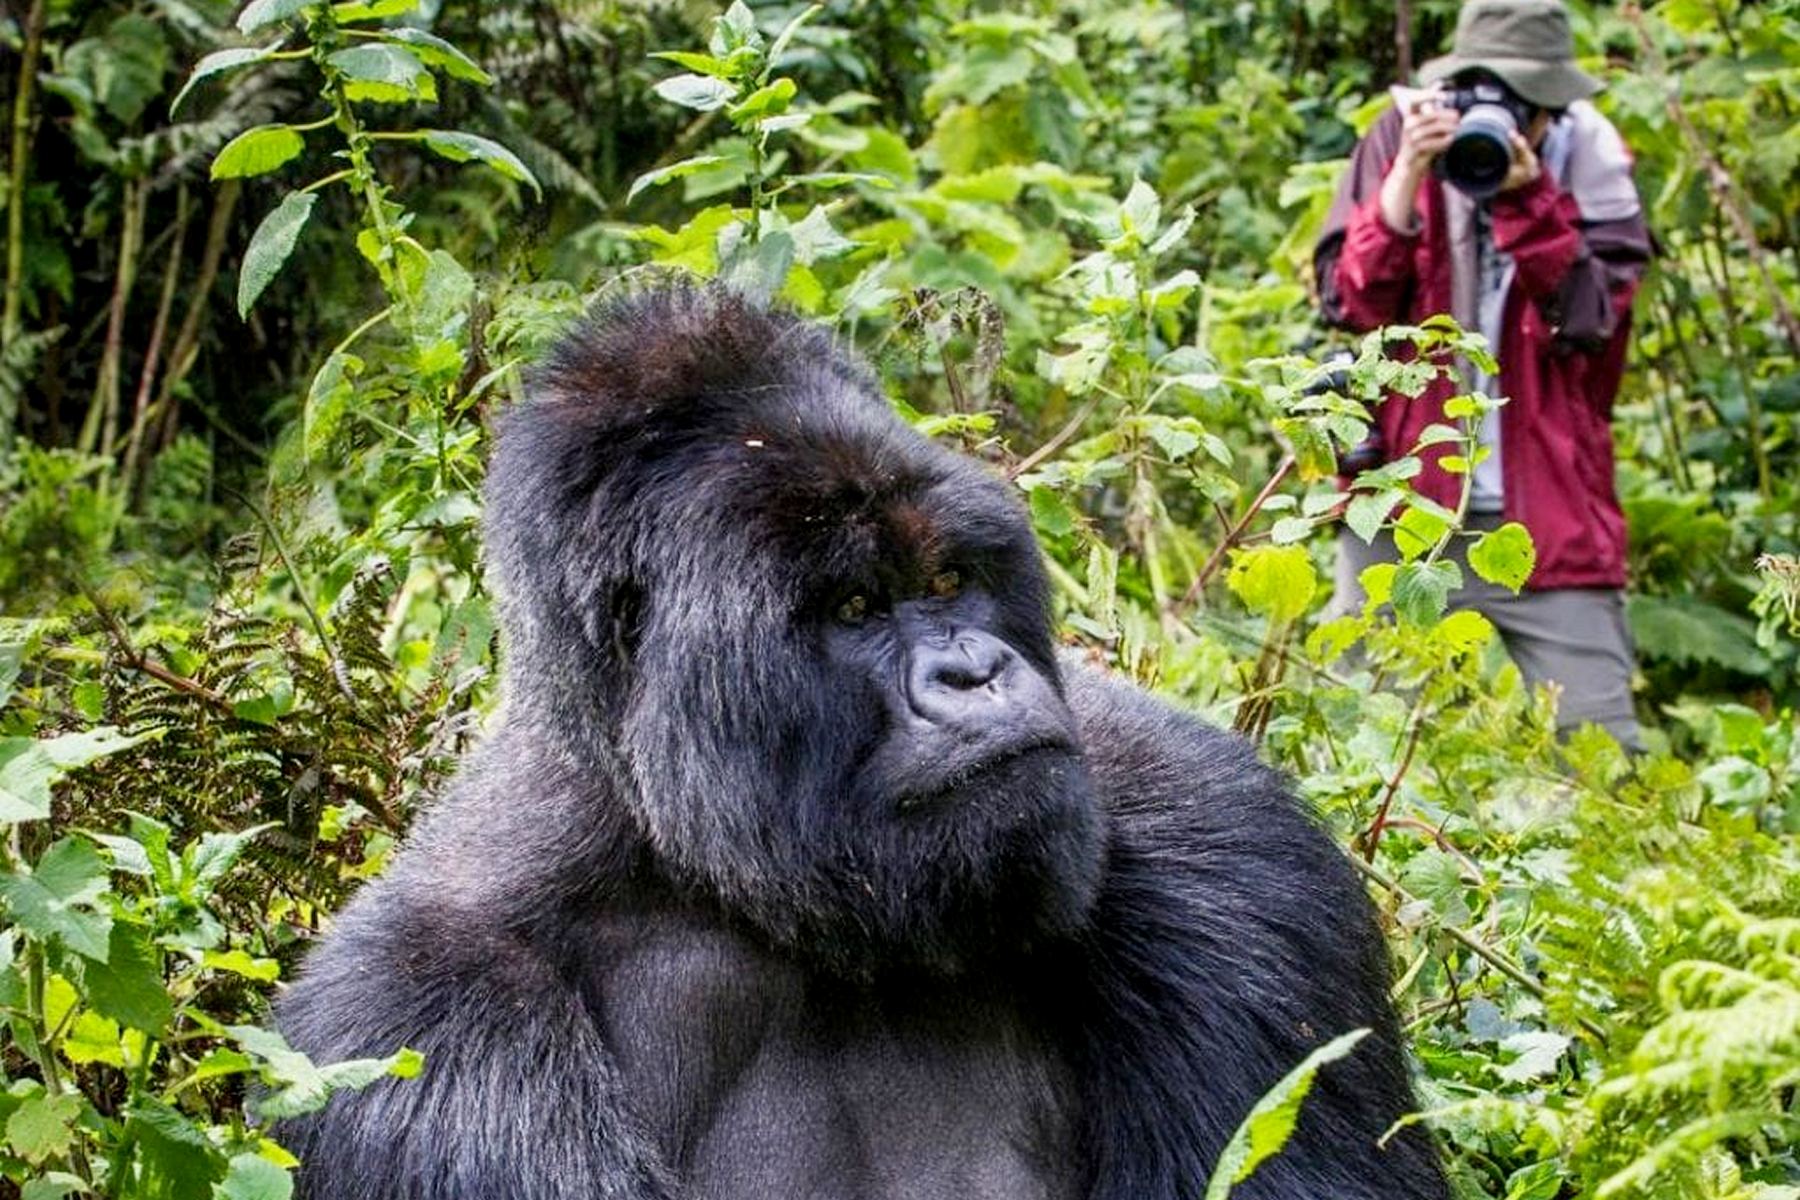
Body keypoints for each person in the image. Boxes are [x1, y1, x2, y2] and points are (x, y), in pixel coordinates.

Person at [1314, 0, 1653, 750]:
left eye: (1523, 106)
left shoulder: (1590, 160)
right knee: (1363, 735)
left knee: (1602, 750)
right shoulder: (1398, 140)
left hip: (1552, 504)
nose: (1503, 121)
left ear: (1552, 108)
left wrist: (1529, 199)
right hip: (1404, 502)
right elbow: (1351, 301)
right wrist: (1406, 175)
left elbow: (1592, 324)